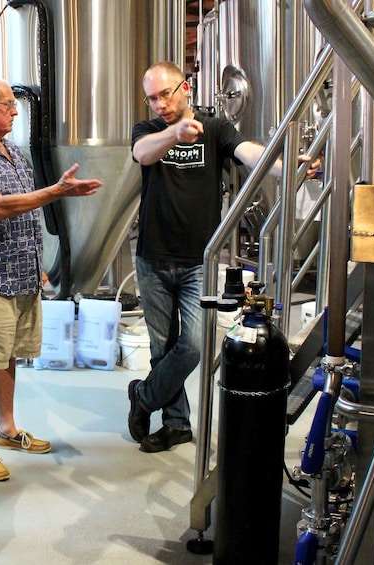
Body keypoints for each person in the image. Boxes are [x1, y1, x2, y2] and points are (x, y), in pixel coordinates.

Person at [128, 61, 320, 453]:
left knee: (194, 346)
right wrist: (174, 133)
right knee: (162, 347)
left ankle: (144, 396)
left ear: (186, 87)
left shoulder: (214, 130)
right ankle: (177, 424)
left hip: (199, 259)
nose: (160, 104)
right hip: (153, 257)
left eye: (166, 94)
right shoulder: (150, 130)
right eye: (152, 98)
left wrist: (285, 168)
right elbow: (142, 154)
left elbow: (247, 152)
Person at [0, 77, 101, 481]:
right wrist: (57, 191)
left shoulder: (11, 150)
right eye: (9, 104)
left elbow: (27, 211)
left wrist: (39, 265)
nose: (16, 110)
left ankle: (6, 428)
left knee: (9, 354)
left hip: (23, 272)